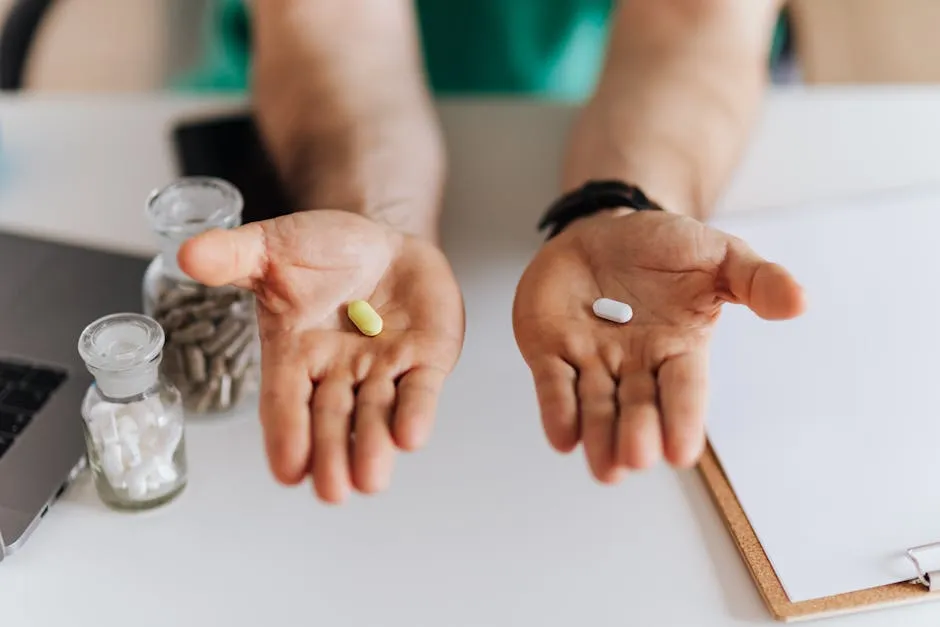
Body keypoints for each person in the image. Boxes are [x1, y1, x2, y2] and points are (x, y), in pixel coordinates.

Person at [175, 0, 806, 504]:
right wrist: (373, 214)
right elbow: (331, 21)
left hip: (615, 81)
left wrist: (627, 201)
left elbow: (694, 23)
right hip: (322, 86)